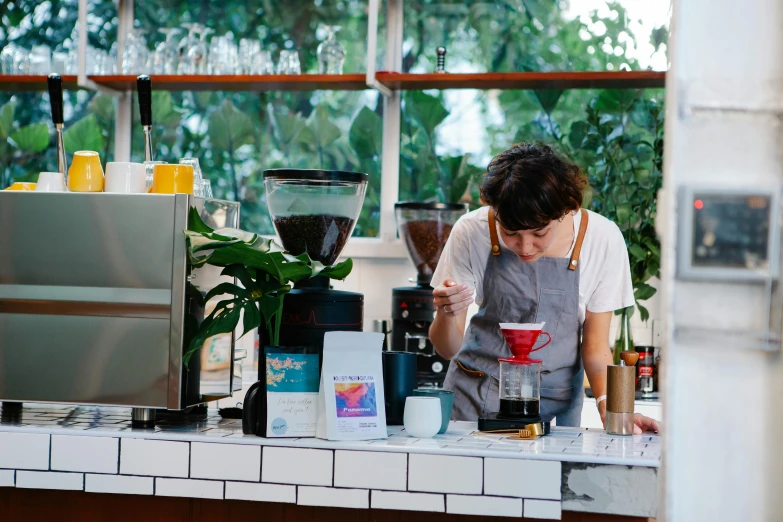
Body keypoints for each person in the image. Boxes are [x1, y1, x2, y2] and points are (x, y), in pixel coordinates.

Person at [429, 143, 660, 433]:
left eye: (540, 233)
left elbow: (596, 347)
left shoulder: (602, 239)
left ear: (566, 210)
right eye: (510, 233)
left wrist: (609, 406)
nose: (525, 248)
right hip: (474, 402)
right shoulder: (471, 231)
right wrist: (447, 313)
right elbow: (446, 348)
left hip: (557, 410)